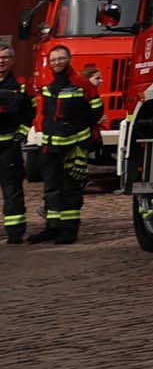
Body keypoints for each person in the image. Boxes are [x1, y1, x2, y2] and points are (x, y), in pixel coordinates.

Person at [31, 44, 99, 247]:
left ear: (69, 59)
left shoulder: (82, 84)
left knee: (71, 188)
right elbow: (43, 113)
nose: (57, 62)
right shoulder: (47, 84)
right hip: (51, 146)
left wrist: (81, 136)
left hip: (74, 145)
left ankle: (69, 230)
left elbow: (95, 111)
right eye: (53, 59)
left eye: (61, 58)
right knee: (51, 188)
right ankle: (52, 227)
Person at [0, 48, 29, 244]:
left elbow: (30, 112)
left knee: (12, 190)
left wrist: (22, 133)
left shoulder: (21, 85)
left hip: (9, 146)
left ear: (12, 60)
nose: (1, 61)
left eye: (5, 57)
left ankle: (15, 232)